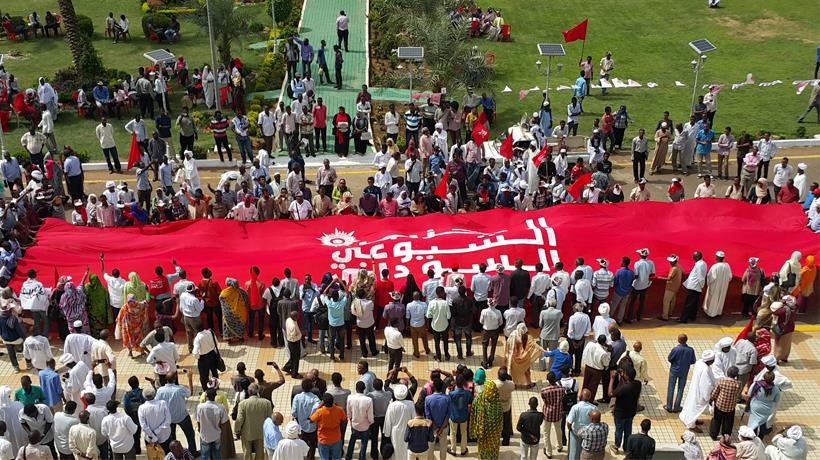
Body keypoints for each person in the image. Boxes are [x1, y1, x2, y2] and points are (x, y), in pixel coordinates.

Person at [679, 350, 716, 432]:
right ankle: (691, 425)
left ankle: (693, 420)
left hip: (695, 388)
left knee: (692, 406)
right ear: (710, 361)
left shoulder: (699, 362)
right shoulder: (705, 369)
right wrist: (708, 396)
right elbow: (706, 385)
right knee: (695, 409)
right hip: (700, 392)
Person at [234, 384, 272, 460]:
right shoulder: (267, 403)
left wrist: (236, 430)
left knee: (247, 452)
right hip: (261, 432)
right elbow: (269, 419)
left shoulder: (243, 404)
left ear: (250, 391)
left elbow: (240, 419)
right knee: (260, 452)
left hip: (247, 432)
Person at [609, 367, 641, 455]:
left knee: (619, 430)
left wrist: (612, 379)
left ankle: (616, 446)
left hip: (620, 413)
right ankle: (626, 447)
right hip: (631, 412)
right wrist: (622, 377)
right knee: (628, 430)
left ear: (627, 376)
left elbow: (610, 393)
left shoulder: (624, 388)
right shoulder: (638, 384)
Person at [470, 380, 503, 460]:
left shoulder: (480, 398)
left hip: (483, 431)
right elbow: (500, 418)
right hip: (494, 433)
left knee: (483, 447)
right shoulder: (498, 401)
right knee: (493, 446)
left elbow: (474, 409)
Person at [309, 393, 346, 460]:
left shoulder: (320, 412)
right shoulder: (339, 410)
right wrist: (336, 405)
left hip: (323, 440)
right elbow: (344, 419)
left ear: (324, 403)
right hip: (336, 439)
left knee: (324, 458)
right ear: (333, 401)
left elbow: (311, 420)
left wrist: (319, 406)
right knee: (337, 458)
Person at [291, 379, 320, 460]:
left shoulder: (297, 397)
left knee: (302, 445)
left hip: (301, 427)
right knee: (312, 445)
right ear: (312, 387)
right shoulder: (315, 399)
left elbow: (293, 412)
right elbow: (317, 410)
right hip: (313, 427)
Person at [346, 381, 373, 460]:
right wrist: (371, 422)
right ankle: (362, 457)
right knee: (364, 443)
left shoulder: (350, 397)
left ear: (356, 388)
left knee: (352, 441)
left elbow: (348, 412)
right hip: (365, 425)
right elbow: (370, 414)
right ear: (364, 389)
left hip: (355, 424)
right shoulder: (369, 400)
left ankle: (349, 457)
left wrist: (350, 419)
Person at [679, 252, 708, 323]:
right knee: (694, 303)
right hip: (696, 287)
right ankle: (692, 316)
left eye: (694, 256)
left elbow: (700, 277)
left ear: (697, 257)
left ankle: (683, 319)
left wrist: (702, 286)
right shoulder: (702, 263)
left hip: (694, 287)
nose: (693, 258)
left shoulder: (699, 265)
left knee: (689, 303)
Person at [219, 279, 248, 344]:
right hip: (240, 313)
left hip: (228, 313)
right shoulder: (241, 291)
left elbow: (221, 300)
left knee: (228, 326)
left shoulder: (224, 292)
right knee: (239, 325)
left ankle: (229, 339)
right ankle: (240, 337)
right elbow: (246, 299)